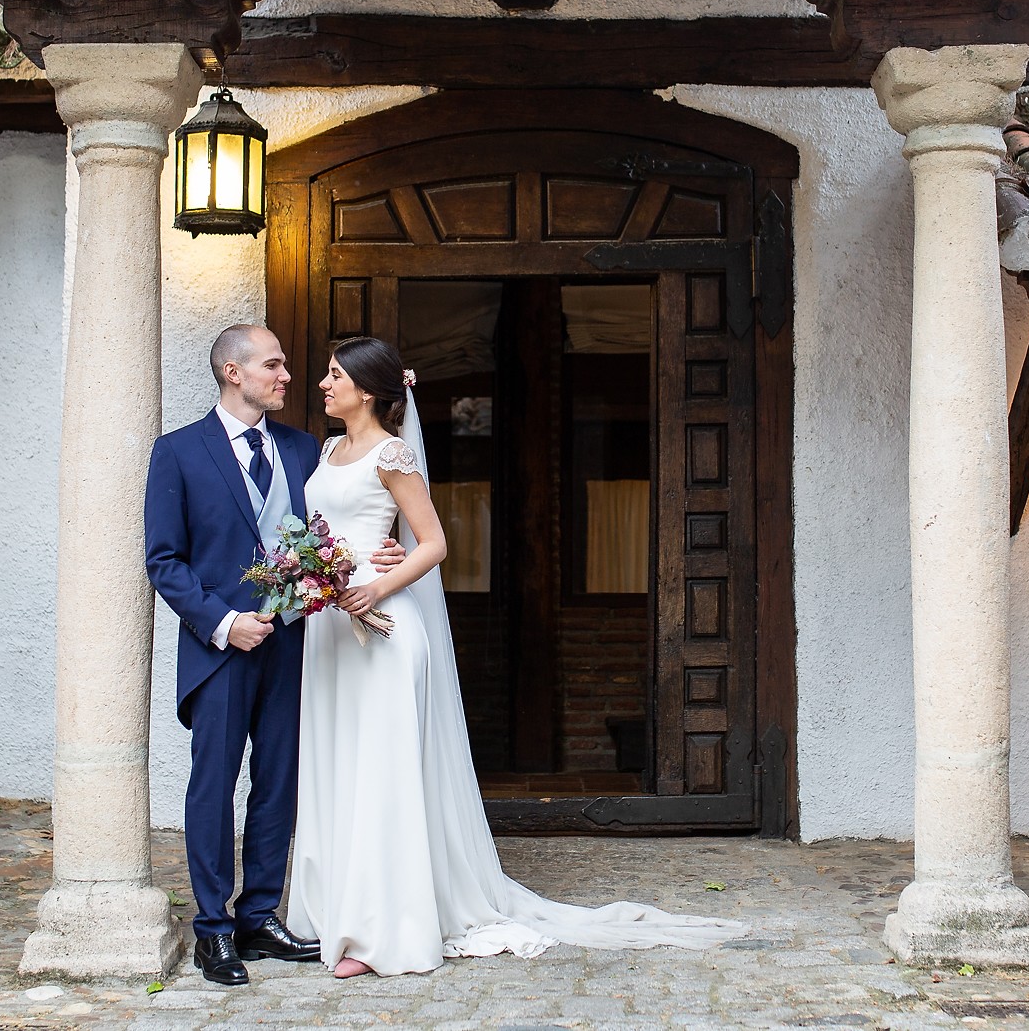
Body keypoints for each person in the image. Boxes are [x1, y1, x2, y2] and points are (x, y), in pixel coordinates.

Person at [288, 335, 747, 978]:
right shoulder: (329, 449)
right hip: (331, 626)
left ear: (367, 390)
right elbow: (323, 530)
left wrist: (374, 585)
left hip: (383, 625)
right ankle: (336, 908)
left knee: (384, 772)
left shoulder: (393, 454)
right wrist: (309, 573)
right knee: (341, 763)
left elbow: (434, 542)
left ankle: (383, 929)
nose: (323, 384)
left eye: (333, 374)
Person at [143, 324, 405, 986]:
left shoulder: (304, 449)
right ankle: (214, 930)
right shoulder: (177, 452)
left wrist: (389, 550)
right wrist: (225, 622)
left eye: (287, 365)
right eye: (274, 364)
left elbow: (341, 523)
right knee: (213, 784)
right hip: (222, 648)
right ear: (232, 371)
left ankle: (260, 914)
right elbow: (164, 561)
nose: (287, 375)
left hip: (296, 642)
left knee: (280, 782)